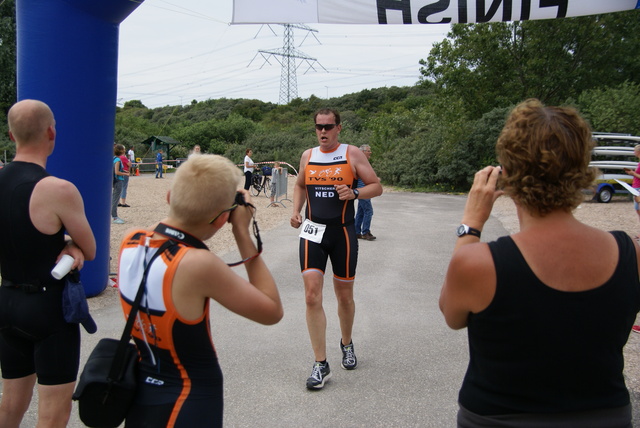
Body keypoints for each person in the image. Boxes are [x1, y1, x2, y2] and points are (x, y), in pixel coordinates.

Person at [440, 99, 639, 427]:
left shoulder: (479, 262)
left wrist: (471, 224)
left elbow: (451, 314)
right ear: (581, 167)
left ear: (509, 173)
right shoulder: (631, 252)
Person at [117, 154, 282, 427]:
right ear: (222, 219)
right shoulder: (198, 264)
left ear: (169, 196)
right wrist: (242, 230)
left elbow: (166, 226)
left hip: (140, 395)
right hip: (190, 400)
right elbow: (272, 311)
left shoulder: (130, 239)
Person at [0, 99, 96, 427]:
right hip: (47, 307)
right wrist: (71, 244)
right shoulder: (57, 190)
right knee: (53, 412)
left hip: (8, 299)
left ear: (11, 136)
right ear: (51, 132)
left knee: (10, 402)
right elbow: (91, 248)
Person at [290, 108, 382, 389]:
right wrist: (296, 211)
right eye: (319, 126)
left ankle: (347, 343)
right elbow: (300, 185)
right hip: (313, 231)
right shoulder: (308, 155)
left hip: (343, 232)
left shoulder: (352, 154)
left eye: (329, 126)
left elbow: (376, 186)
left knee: (344, 296)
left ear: (339, 128)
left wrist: (355, 192)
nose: (323, 132)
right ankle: (321, 363)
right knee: (311, 296)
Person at [354, 144, 376, 240]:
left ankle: (356, 232)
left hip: (362, 190)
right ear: (362, 152)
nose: (370, 152)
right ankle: (365, 232)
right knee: (368, 211)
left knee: (361, 211)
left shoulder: (361, 162)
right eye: (368, 150)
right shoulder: (360, 162)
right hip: (363, 191)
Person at [623, 144, 640, 237]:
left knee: (639, 209)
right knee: (637, 209)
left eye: (634, 151)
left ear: (638, 152)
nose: (634, 152)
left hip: (639, 188)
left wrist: (633, 173)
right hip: (636, 187)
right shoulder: (639, 163)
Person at [112, 144, 128, 224]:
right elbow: (117, 172)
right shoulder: (118, 160)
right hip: (118, 181)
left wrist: (123, 171)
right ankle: (115, 217)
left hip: (115, 180)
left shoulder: (113, 159)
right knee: (115, 199)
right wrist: (125, 174)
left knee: (114, 198)